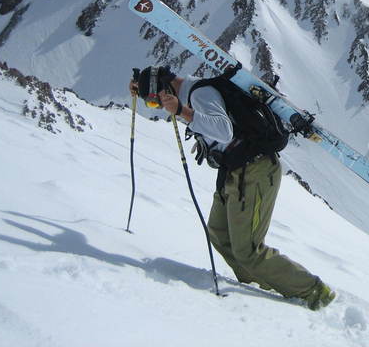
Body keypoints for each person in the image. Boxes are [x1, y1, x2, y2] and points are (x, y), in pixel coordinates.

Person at [130, 65, 335, 310]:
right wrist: (140, 87)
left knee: (248, 250)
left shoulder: (199, 95)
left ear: (164, 90)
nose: (160, 108)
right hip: (234, 171)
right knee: (218, 232)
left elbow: (224, 131)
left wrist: (183, 112)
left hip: (255, 170)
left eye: (155, 102)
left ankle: (313, 292)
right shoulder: (189, 94)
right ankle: (261, 287)